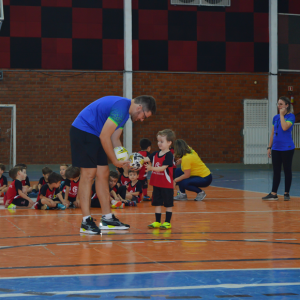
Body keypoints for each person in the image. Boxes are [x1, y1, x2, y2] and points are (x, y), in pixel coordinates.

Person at [70, 95, 156, 234]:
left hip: (95, 134)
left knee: (103, 174)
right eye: (144, 116)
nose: (141, 120)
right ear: (139, 107)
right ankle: (86, 221)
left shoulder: (125, 114)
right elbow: (105, 136)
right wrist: (115, 161)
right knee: (88, 174)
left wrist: (125, 161)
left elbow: (114, 139)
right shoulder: (121, 108)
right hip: (83, 131)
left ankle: (107, 219)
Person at [262, 96, 295, 201]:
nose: (279, 106)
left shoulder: (291, 117)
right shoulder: (275, 117)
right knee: (276, 171)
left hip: (287, 148)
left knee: (287, 170)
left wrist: (281, 115)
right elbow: (272, 133)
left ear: (287, 105)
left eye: (281, 104)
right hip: (276, 148)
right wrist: (269, 147)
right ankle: (273, 193)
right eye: (278, 104)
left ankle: (286, 193)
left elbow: (285, 127)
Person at [144, 129, 176, 229]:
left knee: (168, 204)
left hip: (166, 184)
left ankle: (167, 222)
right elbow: (145, 159)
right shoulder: (155, 154)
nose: (159, 143)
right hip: (157, 183)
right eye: (158, 141)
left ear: (169, 142)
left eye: (162, 141)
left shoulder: (169, 155)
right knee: (157, 203)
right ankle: (157, 222)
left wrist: (150, 168)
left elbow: (163, 168)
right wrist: (133, 159)